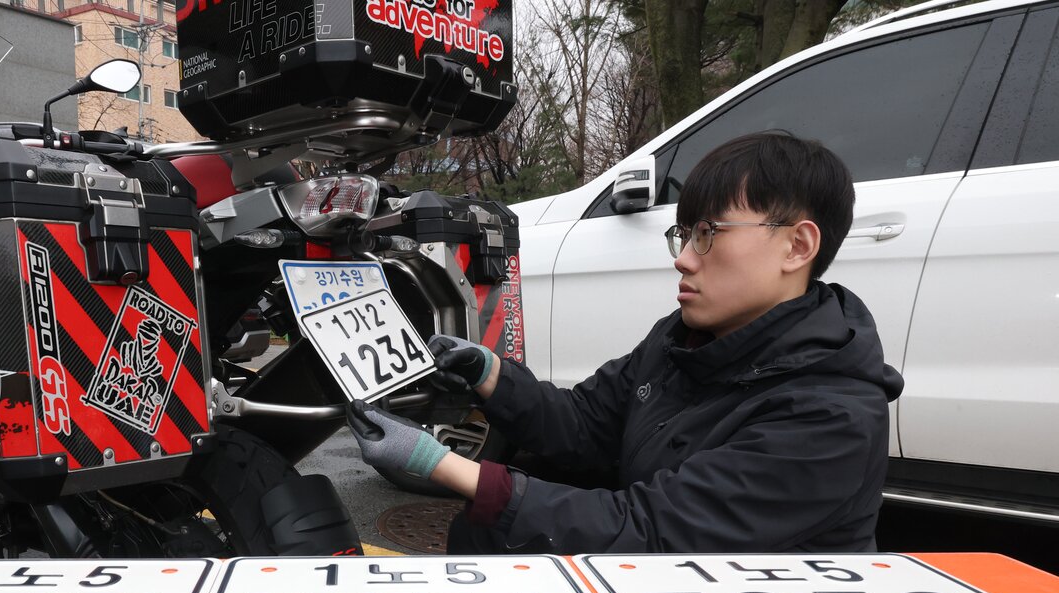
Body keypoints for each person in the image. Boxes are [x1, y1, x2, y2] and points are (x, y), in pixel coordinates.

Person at [347, 131, 904, 553]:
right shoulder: (683, 340)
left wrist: (438, 464)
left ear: (797, 246)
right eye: (684, 235)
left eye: (709, 234)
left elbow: (652, 530)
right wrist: (489, 374)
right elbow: (585, 423)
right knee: (483, 531)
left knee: (496, 520)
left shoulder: (830, 415)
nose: (684, 258)